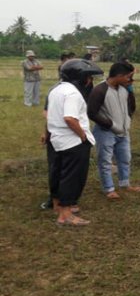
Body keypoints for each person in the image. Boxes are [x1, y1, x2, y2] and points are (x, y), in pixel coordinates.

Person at [46, 59, 103, 226]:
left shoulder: (56, 90)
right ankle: (65, 215)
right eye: (89, 77)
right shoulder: (73, 93)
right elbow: (70, 118)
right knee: (72, 177)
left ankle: (58, 206)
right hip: (73, 142)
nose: (90, 82)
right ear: (81, 77)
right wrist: (82, 136)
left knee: (59, 173)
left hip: (58, 140)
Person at [88, 62, 140, 199]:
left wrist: (128, 119)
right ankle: (109, 189)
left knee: (125, 159)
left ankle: (125, 184)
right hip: (105, 132)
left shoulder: (124, 88)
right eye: (128, 77)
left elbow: (131, 106)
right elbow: (91, 113)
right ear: (119, 75)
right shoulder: (100, 90)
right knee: (105, 161)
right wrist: (110, 124)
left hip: (124, 132)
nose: (130, 80)